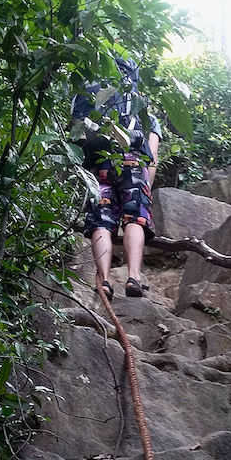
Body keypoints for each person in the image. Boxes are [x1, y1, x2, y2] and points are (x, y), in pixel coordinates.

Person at [71, 57, 162, 301]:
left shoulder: (95, 104)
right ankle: (134, 276)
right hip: (132, 165)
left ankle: (105, 280)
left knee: (102, 221)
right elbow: (151, 157)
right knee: (134, 219)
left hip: (99, 165)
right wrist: (146, 188)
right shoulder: (146, 117)